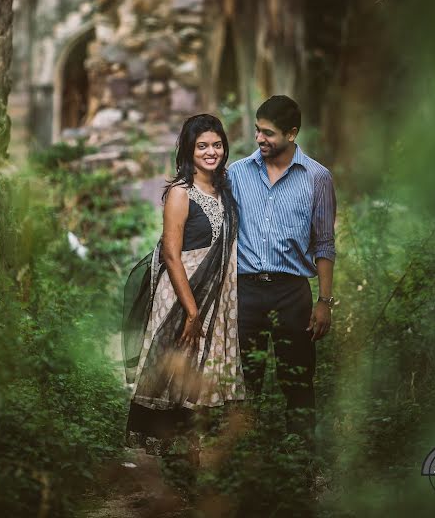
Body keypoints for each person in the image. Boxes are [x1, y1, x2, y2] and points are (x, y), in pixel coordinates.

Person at [122, 114, 245, 461]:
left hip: (217, 298)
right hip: (182, 296)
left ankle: (196, 453)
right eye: (202, 146)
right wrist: (192, 311)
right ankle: (174, 460)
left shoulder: (224, 189)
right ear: (189, 150)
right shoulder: (180, 193)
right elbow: (173, 257)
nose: (211, 152)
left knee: (203, 373)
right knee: (178, 370)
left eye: (217, 145)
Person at [227, 95, 336, 446]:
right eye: (257, 130)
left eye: (268, 133)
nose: (259, 138)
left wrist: (324, 301)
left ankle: (300, 464)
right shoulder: (236, 174)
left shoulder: (317, 178)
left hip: (292, 294)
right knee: (243, 384)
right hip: (245, 292)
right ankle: (242, 466)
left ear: (292, 134)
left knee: (299, 383)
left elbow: (324, 244)